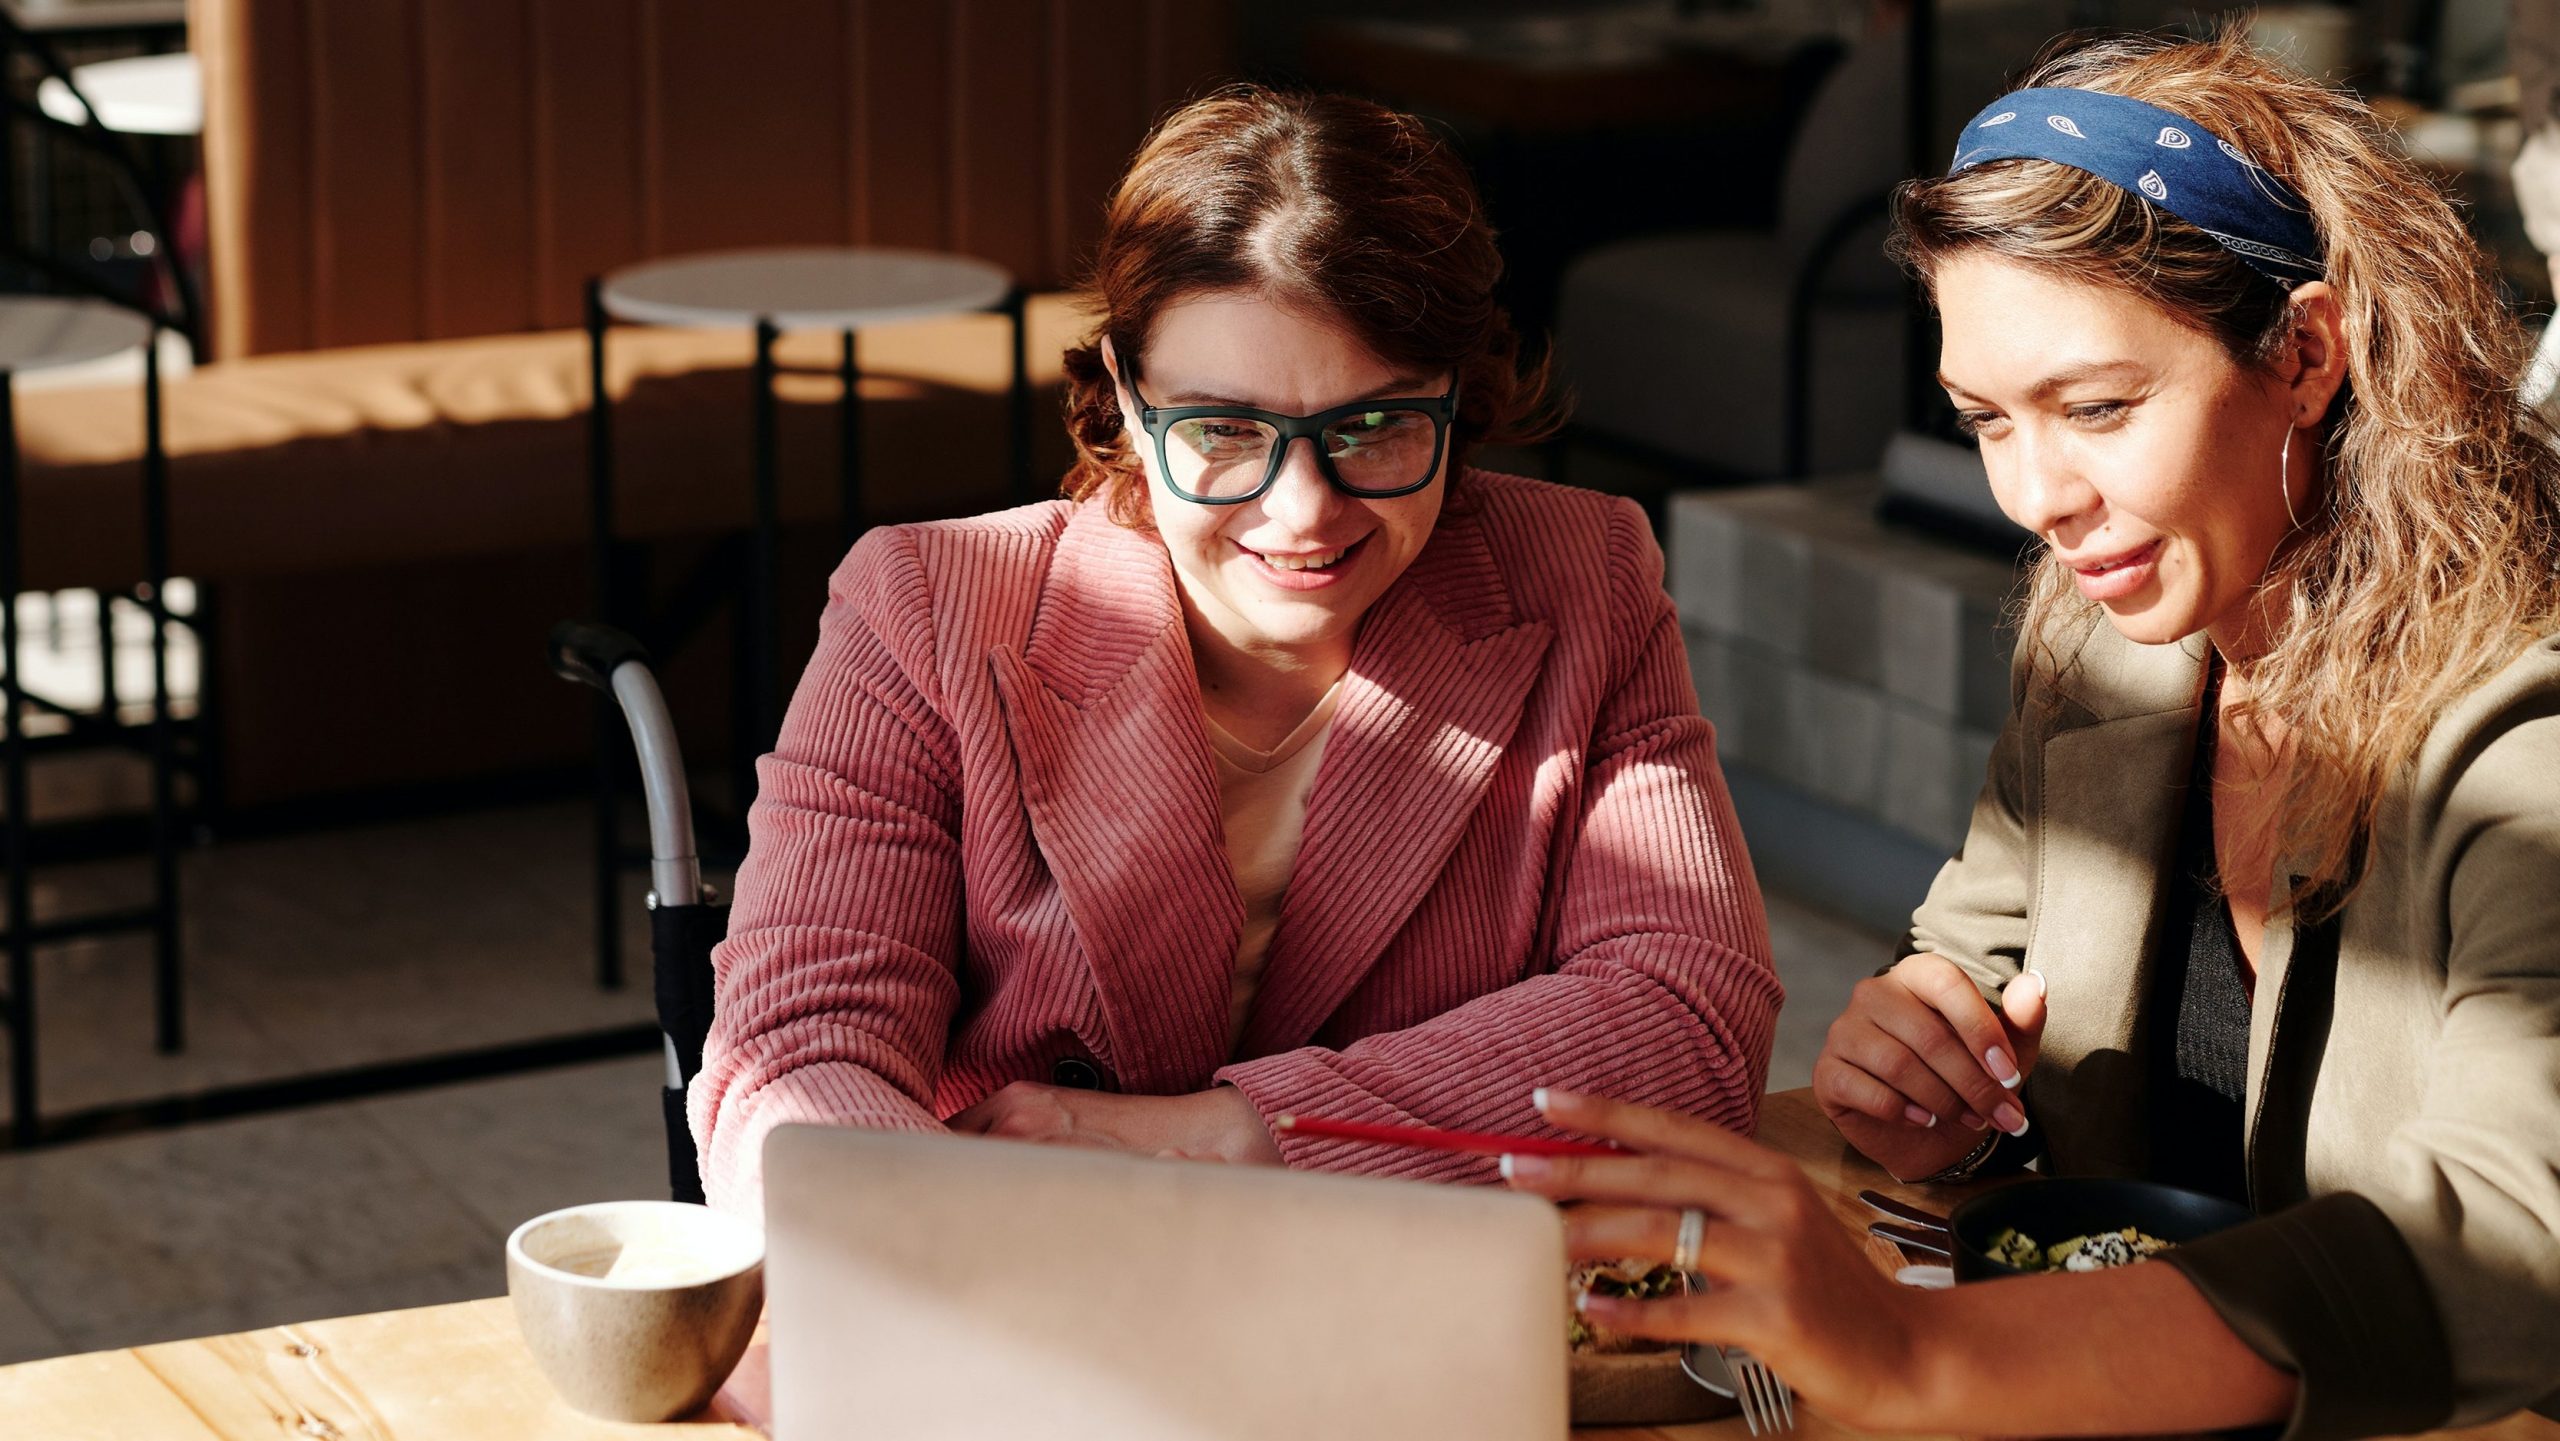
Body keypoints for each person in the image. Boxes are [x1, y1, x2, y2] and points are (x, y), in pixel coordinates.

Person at [1500, 31, 2560, 1438]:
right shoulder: (2116, 648)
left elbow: (2510, 1232)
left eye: (2101, 408)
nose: (2036, 496)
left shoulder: (2522, 725)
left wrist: (1923, 1357)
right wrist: (1929, 1060)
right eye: (1986, 420)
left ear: (2306, 354)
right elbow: (1972, 956)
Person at [687, 86, 1782, 1215]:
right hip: (1029, 1282)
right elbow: (793, 1055)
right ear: (1123, 389)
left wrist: (1232, 1134)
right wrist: (954, 1231)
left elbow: (1690, 1021)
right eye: (1221, 429)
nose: (1303, 511)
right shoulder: (926, 607)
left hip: (1412, 1299)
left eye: (1374, 426)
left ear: (1460, 397)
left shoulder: (1581, 574)